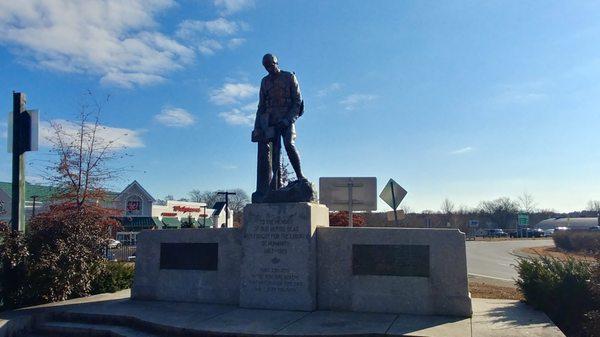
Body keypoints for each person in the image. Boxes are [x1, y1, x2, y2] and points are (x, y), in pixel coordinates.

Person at [252, 54, 305, 201]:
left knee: (289, 144)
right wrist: (257, 126)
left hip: (287, 119)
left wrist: (288, 120)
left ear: (277, 63)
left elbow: (298, 102)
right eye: (266, 66)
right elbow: (261, 105)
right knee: (275, 153)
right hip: (271, 122)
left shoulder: (289, 77)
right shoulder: (265, 82)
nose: (269, 68)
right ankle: (276, 185)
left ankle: (300, 177)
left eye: (271, 65)